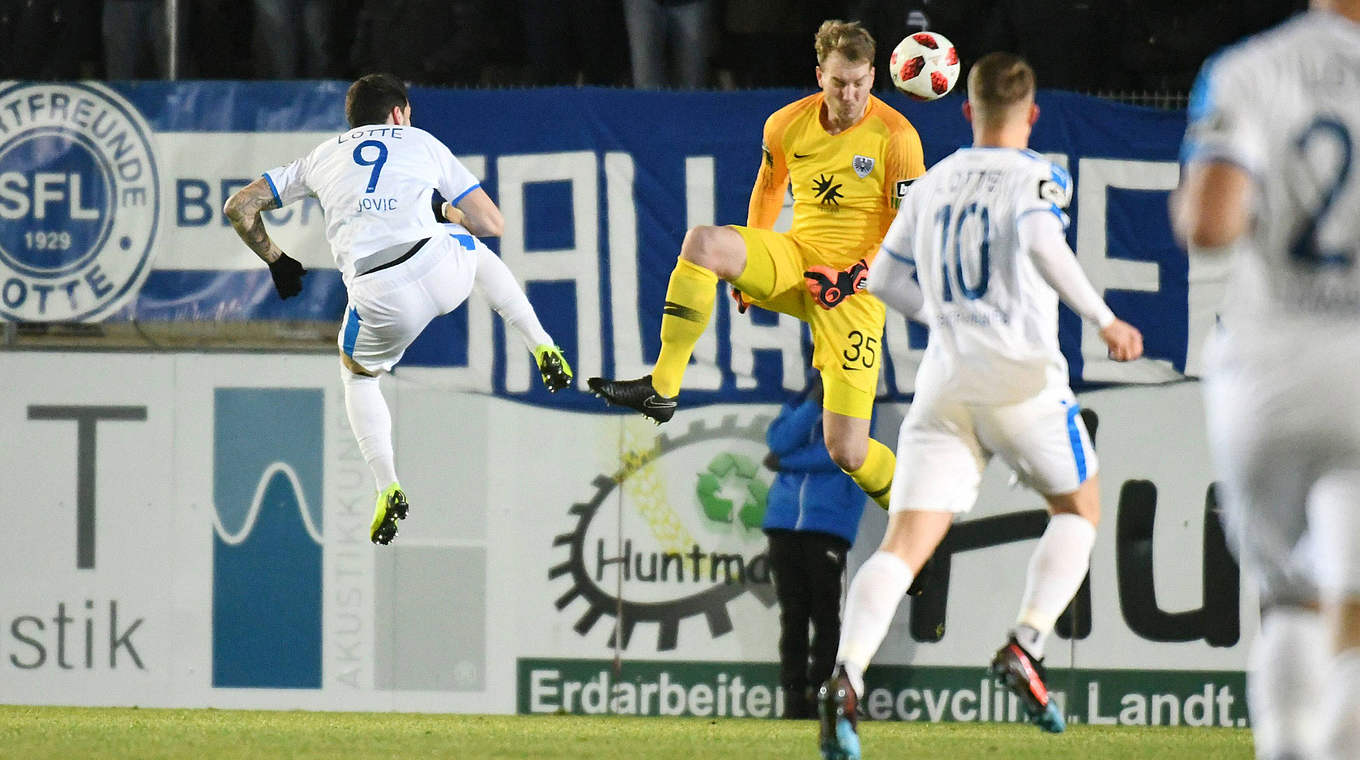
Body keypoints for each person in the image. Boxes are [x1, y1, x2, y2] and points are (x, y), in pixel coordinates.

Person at [816, 52, 1144, 760]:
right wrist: (1103, 318)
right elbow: (1037, 238)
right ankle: (1026, 643)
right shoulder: (1037, 174)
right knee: (1080, 509)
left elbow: (879, 279)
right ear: (1031, 116)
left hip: (946, 381)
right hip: (1021, 378)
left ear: (965, 111)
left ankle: (844, 679)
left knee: (902, 545)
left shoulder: (932, 183)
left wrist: (940, 319)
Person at [589, 19, 926, 514]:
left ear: (873, 77)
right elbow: (769, 190)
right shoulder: (786, 123)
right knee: (703, 244)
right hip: (796, 259)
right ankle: (661, 388)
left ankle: (911, 518)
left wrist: (852, 276)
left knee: (847, 450)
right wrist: (749, 269)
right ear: (819, 76)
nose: (849, 94)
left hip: (856, 290)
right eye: (838, 82)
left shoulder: (898, 138)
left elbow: (907, 234)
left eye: (858, 83)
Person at [224, 73, 572, 546]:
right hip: (440, 267)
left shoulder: (321, 157)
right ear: (397, 114)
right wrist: (445, 211)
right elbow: (492, 223)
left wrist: (277, 260)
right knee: (470, 244)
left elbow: (239, 206)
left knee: (359, 377)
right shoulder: (421, 142)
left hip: (378, 294)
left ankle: (386, 483)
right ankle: (542, 344)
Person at [1172, 3, 1360, 757]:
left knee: (1287, 601)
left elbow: (1211, 224)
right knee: (1352, 611)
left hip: (1266, 366)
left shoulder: (1246, 68)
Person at [763, 370, 869, 719]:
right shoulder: (799, 400)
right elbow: (777, 440)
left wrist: (786, 463)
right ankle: (794, 700)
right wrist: (813, 402)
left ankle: (824, 696)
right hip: (783, 522)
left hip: (828, 523)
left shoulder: (860, 399)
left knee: (825, 615)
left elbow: (842, 454)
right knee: (792, 615)